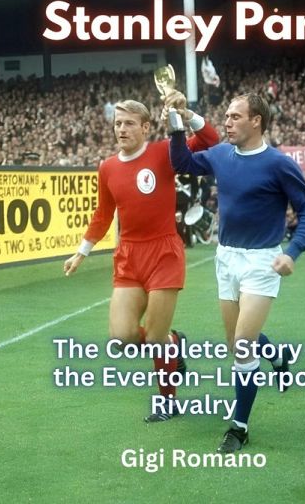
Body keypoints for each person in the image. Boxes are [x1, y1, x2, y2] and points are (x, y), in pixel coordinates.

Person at [169, 92, 305, 453]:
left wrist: (293, 252)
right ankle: (278, 356)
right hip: (226, 258)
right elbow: (181, 162)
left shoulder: (278, 164)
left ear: (256, 121)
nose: (227, 122)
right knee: (236, 340)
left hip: (262, 262)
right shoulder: (221, 154)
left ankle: (240, 427)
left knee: (241, 347)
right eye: (226, 116)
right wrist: (176, 121)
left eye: (235, 116)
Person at [64, 92, 219, 422]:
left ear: (146, 127)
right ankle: (175, 342)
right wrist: (81, 251)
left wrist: (185, 114)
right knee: (122, 338)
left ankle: (168, 402)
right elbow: (103, 215)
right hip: (128, 257)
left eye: (129, 123)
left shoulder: (165, 151)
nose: (121, 129)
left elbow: (210, 140)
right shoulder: (107, 167)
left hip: (163, 253)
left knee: (156, 339)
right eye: (118, 123)